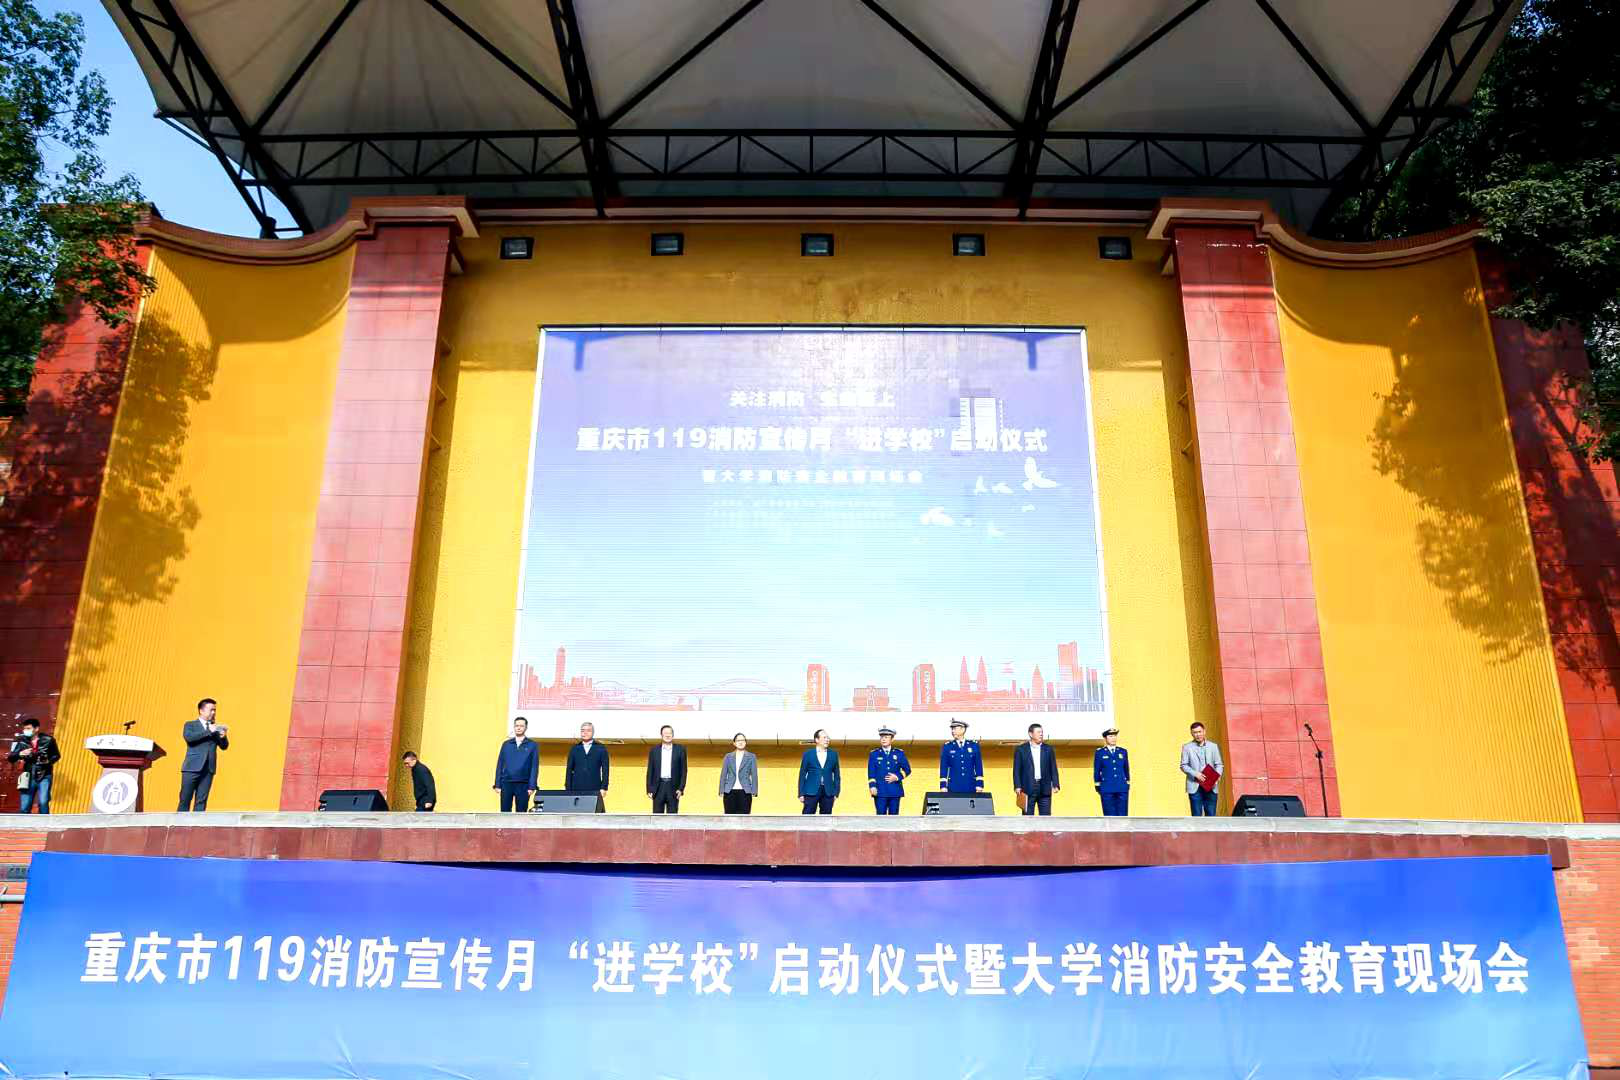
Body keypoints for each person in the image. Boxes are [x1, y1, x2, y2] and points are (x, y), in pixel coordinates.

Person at [178, 698, 229, 812]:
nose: (213, 712)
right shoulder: (190, 725)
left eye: (215, 710)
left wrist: (223, 737)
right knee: (185, 799)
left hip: (208, 768)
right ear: (201, 710)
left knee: (201, 802)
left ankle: (197, 823)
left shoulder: (215, 727)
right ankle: (180, 822)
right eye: (211, 710)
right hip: (192, 768)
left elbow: (224, 746)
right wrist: (209, 731)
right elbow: (190, 738)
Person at [8, 717, 62, 815]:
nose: (26, 730)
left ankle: (45, 823)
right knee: (25, 806)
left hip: (45, 774)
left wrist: (48, 761)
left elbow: (56, 755)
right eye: (25, 728)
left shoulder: (48, 740)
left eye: (28, 728)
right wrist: (20, 753)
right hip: (28, 775)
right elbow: (11, 758)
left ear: (36, 729)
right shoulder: (20, 740)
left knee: (43, 802)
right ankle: (24, 823)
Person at [1013, 722, 1060, 816]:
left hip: (1044, 787)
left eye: (1042, 732)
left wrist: (1056, 783)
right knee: (1027, 818)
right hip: (1027, 788)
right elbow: (1017, 770)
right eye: (1038, 732)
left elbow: (1053, 768)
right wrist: (1017, 786)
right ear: (1031, 734)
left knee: (1046, 817)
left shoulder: (1048, 749)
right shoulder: (1021, 749)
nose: (1041, 734)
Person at [494, 717, 539, 812]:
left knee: (521, 812)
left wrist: (532, 786)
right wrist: (497, 784)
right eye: (516, 726)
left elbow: (534, 767)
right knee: (505, 812)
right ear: (514, 727)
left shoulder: (532, 745)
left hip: (523, 784)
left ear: (526, 728)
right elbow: (500, 764)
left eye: (521, 726)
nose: (518, 728)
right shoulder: (506, 744)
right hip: (506, 783)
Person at [1181, 721, 1224, 816]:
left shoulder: (1213, 746)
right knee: (1196, 816)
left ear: (1204, 731)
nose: (1198, 735)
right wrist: (1196, 774)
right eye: (1195, 732)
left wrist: (1216, 777)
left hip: (1211, 785)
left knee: (1211, 815)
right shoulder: (1187, 747)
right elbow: (1183, 765)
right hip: (1195, 786)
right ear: (1191, 733)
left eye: (1199, 732)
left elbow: (1219, 764)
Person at [565, 722, 611, 809]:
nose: (585, 733)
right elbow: (569, 770)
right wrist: (568, 788)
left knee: (595, 811)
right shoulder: (574, 749)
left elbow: (605, 770)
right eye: (583, 731)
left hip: (595, 787)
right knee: (576, 812)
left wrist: (604, 787)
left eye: (588, 730)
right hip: (576, 788)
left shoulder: (601, 748)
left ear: (593, 732)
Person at [867, 726, 910, 815]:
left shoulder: (899, 753)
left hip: (895, 790)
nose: (883, 739)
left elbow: (907, 769)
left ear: (892, 739)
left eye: (886, 737)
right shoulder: (874, 754)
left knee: (894, 818)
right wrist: (872, 786)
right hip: (880, 791)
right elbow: (871, 772)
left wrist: (897, 777)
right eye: (882, 737)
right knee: (880, 817)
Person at [644, 724, 687, 814]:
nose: (667, 735)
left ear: (673, 735)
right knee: (657, 816)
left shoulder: (680, 750)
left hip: (673, 788)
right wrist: (649, 788)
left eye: (669, 733)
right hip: (658, 787)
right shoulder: (654, 750)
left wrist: (681, 788)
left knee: (672, 816)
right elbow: (650, 771)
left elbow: (684, 771)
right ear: (661, 735)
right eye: (665, 733)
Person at [798, 729, 840, 814]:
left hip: (828, 792)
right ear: (817, 740)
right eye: (824, 737)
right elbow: (802, 774)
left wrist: (836, 793)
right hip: (810, 791)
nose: (827, 740)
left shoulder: (833, 754)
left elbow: (837, 775)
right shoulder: (808, 754)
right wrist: (801, 793)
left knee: (826, 818)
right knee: (807, 817)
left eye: (828, 738)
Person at [1093, 727, 1130, 816]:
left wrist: (1127, 783)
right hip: (1107, 787)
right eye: (1110, 736)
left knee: (1122, 815)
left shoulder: (1123, 751)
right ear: (1105, 738)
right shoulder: (1100, 752)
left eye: (1114, 736)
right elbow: (1097, 770)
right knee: (1109, 815)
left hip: (1121, 787)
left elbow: (1126, 769)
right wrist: (1098, 785)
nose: (1113, 738)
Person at [939, 719, 983, 794]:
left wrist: (980, 784)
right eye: (952, 729)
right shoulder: (947, 746)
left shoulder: (974, 745)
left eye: (954, 728)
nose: (952, 731)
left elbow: (978, 766)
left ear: (963, 729)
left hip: (970, 785)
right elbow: (944, 767)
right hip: (953, 786)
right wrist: (943, 786)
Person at [718, 732, 758, 814]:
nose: (740, 742)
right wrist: (721, 790)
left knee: (744, 817)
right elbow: (723, 774)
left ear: (745, 742)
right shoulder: (728, 756)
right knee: (729, 816)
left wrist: (754, 791)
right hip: (729, 791)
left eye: (743, 740)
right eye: (738, 740)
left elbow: (754, 775)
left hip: (745, 791)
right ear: (734, 743)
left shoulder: (751, 756)